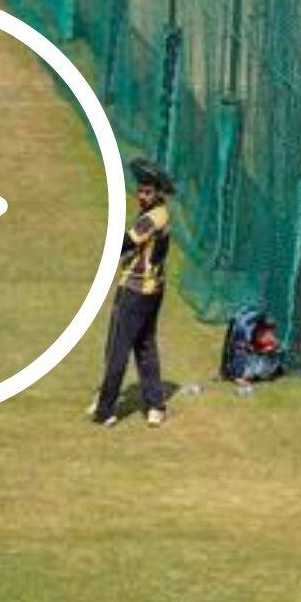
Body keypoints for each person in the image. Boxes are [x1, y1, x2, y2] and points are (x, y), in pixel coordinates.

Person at [90, 158, 175, 428]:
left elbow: (125, 243)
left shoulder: (153, 217)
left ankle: (105, 409)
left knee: (117, 349)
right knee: (145, 346)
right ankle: (155, 406)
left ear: (158, 193)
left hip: (135, 291)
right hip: (153, 291)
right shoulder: (160, 213)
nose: (142, 195)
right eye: (140, 190)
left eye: (148, 191)